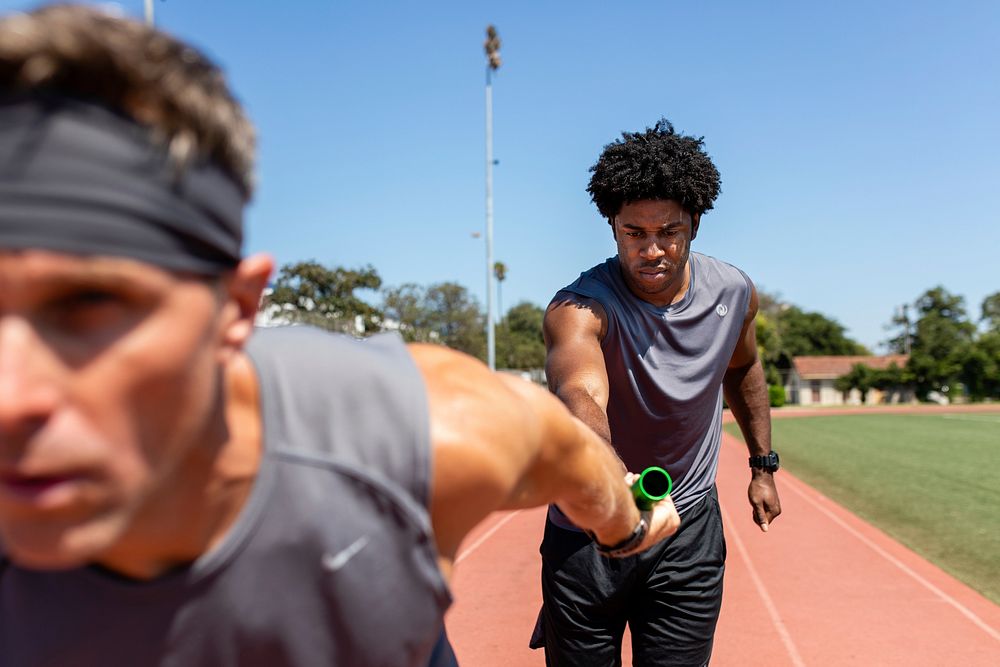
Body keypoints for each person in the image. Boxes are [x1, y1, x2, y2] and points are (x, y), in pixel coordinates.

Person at [0, 6, 681, 666]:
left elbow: (562, 449)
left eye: (89, 305)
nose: (11, 397)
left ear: (235, 309)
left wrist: (623, 523)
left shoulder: (412, 438)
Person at [530, 119, 782, 666]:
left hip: (687, 526)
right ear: (612, 228)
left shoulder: (734, 292)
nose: (653, 251)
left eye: (668, 231)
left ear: (693, 223)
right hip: (589, 527)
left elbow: (743, 368)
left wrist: (763, 465)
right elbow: (579, 392)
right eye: (633, 234)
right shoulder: (578, 308)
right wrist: (616, 481)